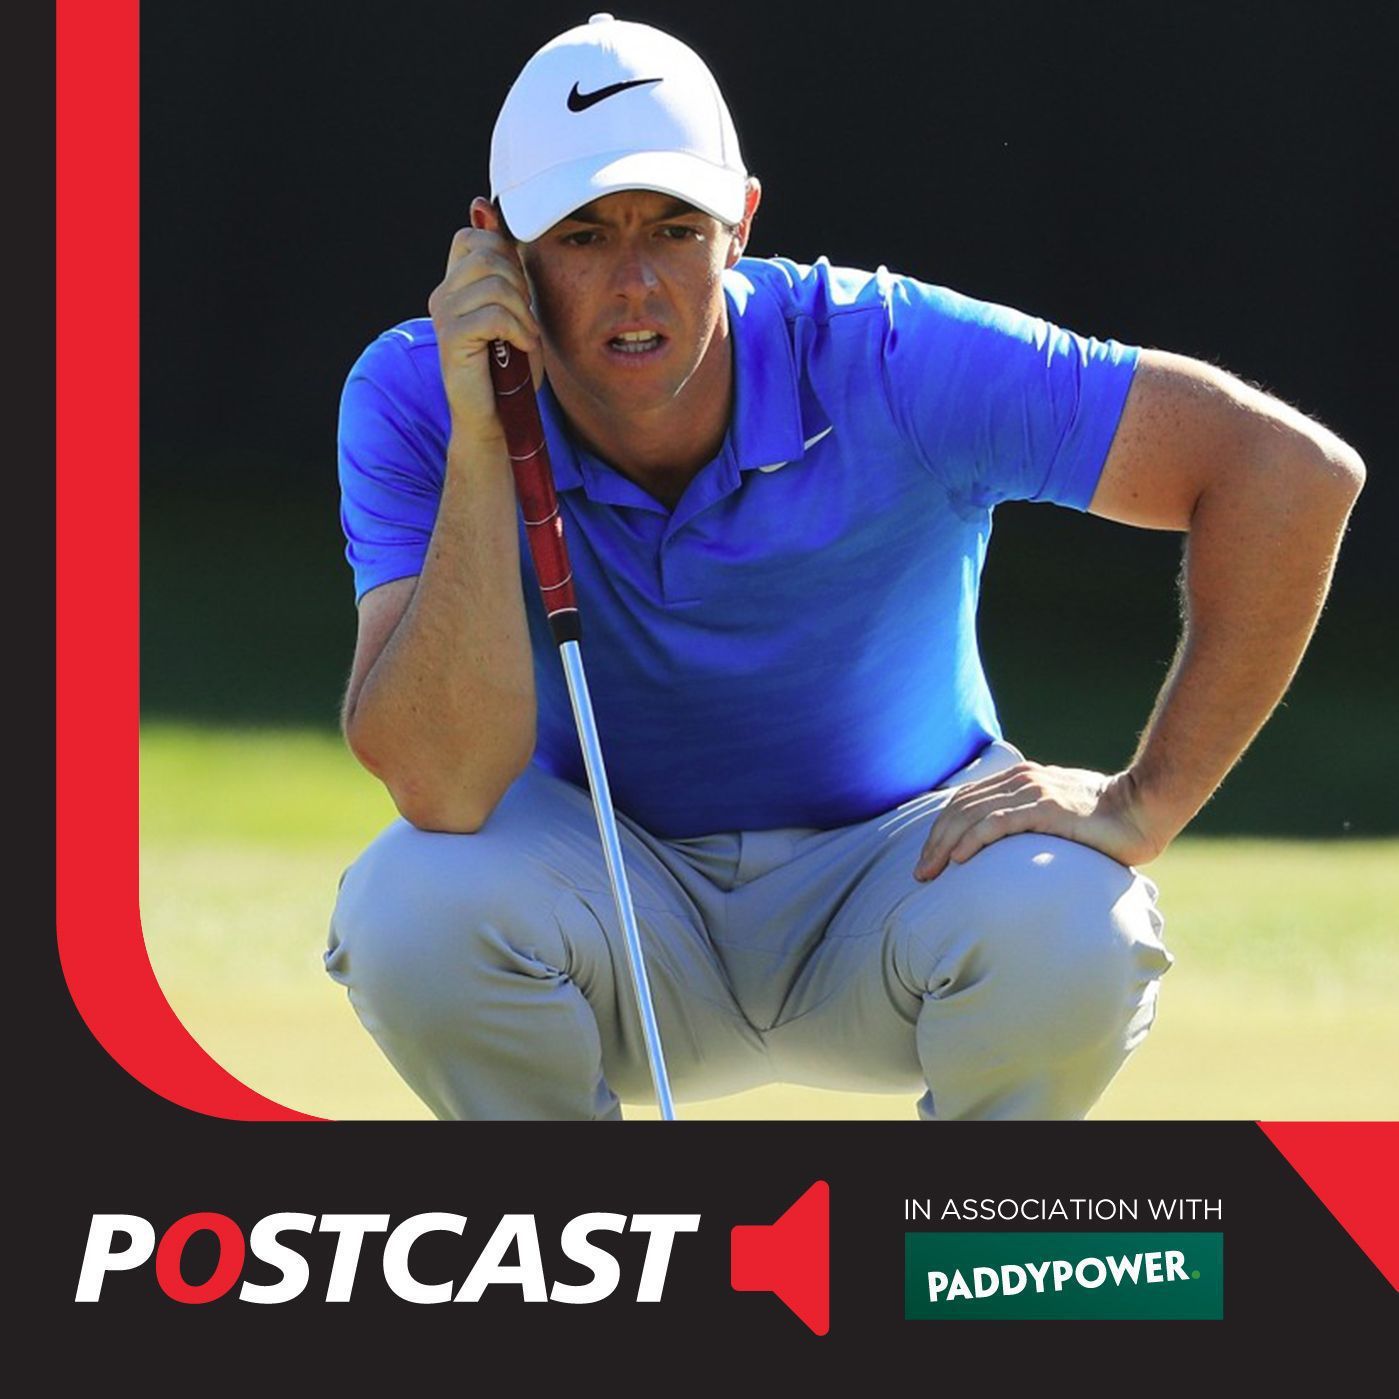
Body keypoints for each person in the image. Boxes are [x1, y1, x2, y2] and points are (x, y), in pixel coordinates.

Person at [326, 15, 1364, 1121]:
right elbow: (441, 785)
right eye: (582, 235)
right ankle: (598, 1227)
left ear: (741, 224)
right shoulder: (417, 393)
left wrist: (1143, 801)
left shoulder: (889, 354)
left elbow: (1287, 473)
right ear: (495, 245)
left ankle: (951, 1232)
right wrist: (484, 440)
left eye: (674, 228)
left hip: (903, 880)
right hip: (606, 901)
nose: (634, 282)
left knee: (1077, 923)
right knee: (409, 908)